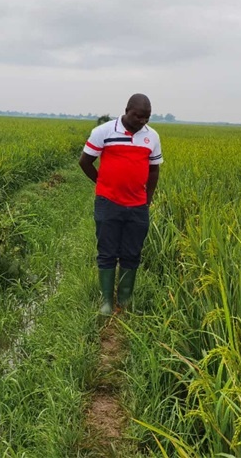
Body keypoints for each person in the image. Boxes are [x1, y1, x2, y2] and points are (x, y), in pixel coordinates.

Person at [78, 93, 163, 315]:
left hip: (137, 205)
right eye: (138, 116)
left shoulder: (151, 137)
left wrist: (148, 199)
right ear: (127, 111)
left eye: (147, 117)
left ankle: (125, 299)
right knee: (107, 251)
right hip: (108, 203)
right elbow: (85, 161)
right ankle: (106, 301)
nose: (143, 121)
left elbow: (154, 170)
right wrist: (101, 182)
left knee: (132, 252)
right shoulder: (103, 132)